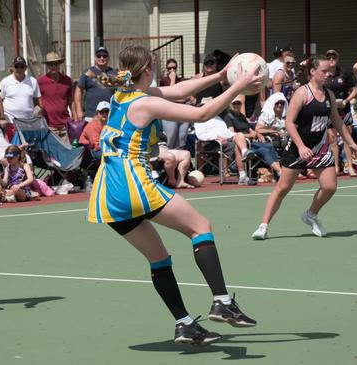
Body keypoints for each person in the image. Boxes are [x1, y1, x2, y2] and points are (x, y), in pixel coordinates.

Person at [88, 45, 262, 346]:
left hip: (107, 192)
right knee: (201, 227)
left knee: (158, 258)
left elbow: (180, 89)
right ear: (146, 70)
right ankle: (221, 301)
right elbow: (202, 112)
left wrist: (219, 75)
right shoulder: (145, 104)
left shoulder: (121, 96)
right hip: (132, 183)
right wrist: (238, 85)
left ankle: (184, 324)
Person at [252, 56, 357, 240]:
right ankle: (263, 226)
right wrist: (301, 146)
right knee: (283, 188)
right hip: (297, 147)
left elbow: (337, 121)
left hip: (320, 147)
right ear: (312, 72)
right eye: (324, 71)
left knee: (330, 186)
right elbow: (289, 123)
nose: (328, 74)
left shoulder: (329, 95)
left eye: (329, 72)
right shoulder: (302, 93)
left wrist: (350, 142)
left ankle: (310, 214)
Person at [225, 95, 283, 177]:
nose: (236, 105)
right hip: (242, 145)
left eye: (238, 103)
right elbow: (232, 134)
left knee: (269, 146)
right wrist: (249, 135)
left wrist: (258, 134)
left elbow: (251, 130)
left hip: (251, 143)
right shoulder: (229, 117)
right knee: (264, 150)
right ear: (230, 105)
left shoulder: (242, 116)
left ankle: (277, 172)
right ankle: (279, 171)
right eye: (234, 103)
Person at [325, 49, 357, 176]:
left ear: (337, 59)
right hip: (330, 111)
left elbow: (354, 90)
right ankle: (336, 167)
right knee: (332, 139)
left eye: (334, 57)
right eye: (329, 58)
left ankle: (350, 166)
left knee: (346, 138)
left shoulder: (345, 74)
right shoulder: (324, 75)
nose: (331, 59)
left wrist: (346, 100)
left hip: (344, 110)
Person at [38, 52, 74, 143]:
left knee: (66, 152)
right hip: (48, 124)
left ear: (59, 65)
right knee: (51, 154)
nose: (53, 66)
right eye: (50, 64)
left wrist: (74, 116)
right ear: (47, 66)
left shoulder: (67, 80)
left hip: (65, 124)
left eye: (55, 64)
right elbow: (36, 100)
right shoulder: (40, 81)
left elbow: (71, 100)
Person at [74, 47, 117, 122]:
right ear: (95, 58)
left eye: (104, 56)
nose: (102, 58)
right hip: (91, 116)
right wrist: (79, 110)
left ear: (108, 58)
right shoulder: (87, 72)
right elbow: (79, 90)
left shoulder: (114, 73)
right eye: (99, 56)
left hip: (110, 115)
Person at [159, 58, 190, 149]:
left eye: (174, 67)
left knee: (182, 141)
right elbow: (169, 96)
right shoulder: (163, 81)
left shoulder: (182, 80)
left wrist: (175, 98)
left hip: (182, 114)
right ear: (166, 69)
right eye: (169, 68)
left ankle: (180, 161)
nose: (172, 70)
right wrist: (172, 80)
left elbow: (187, 97)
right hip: (170, 115)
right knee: (170, 141)